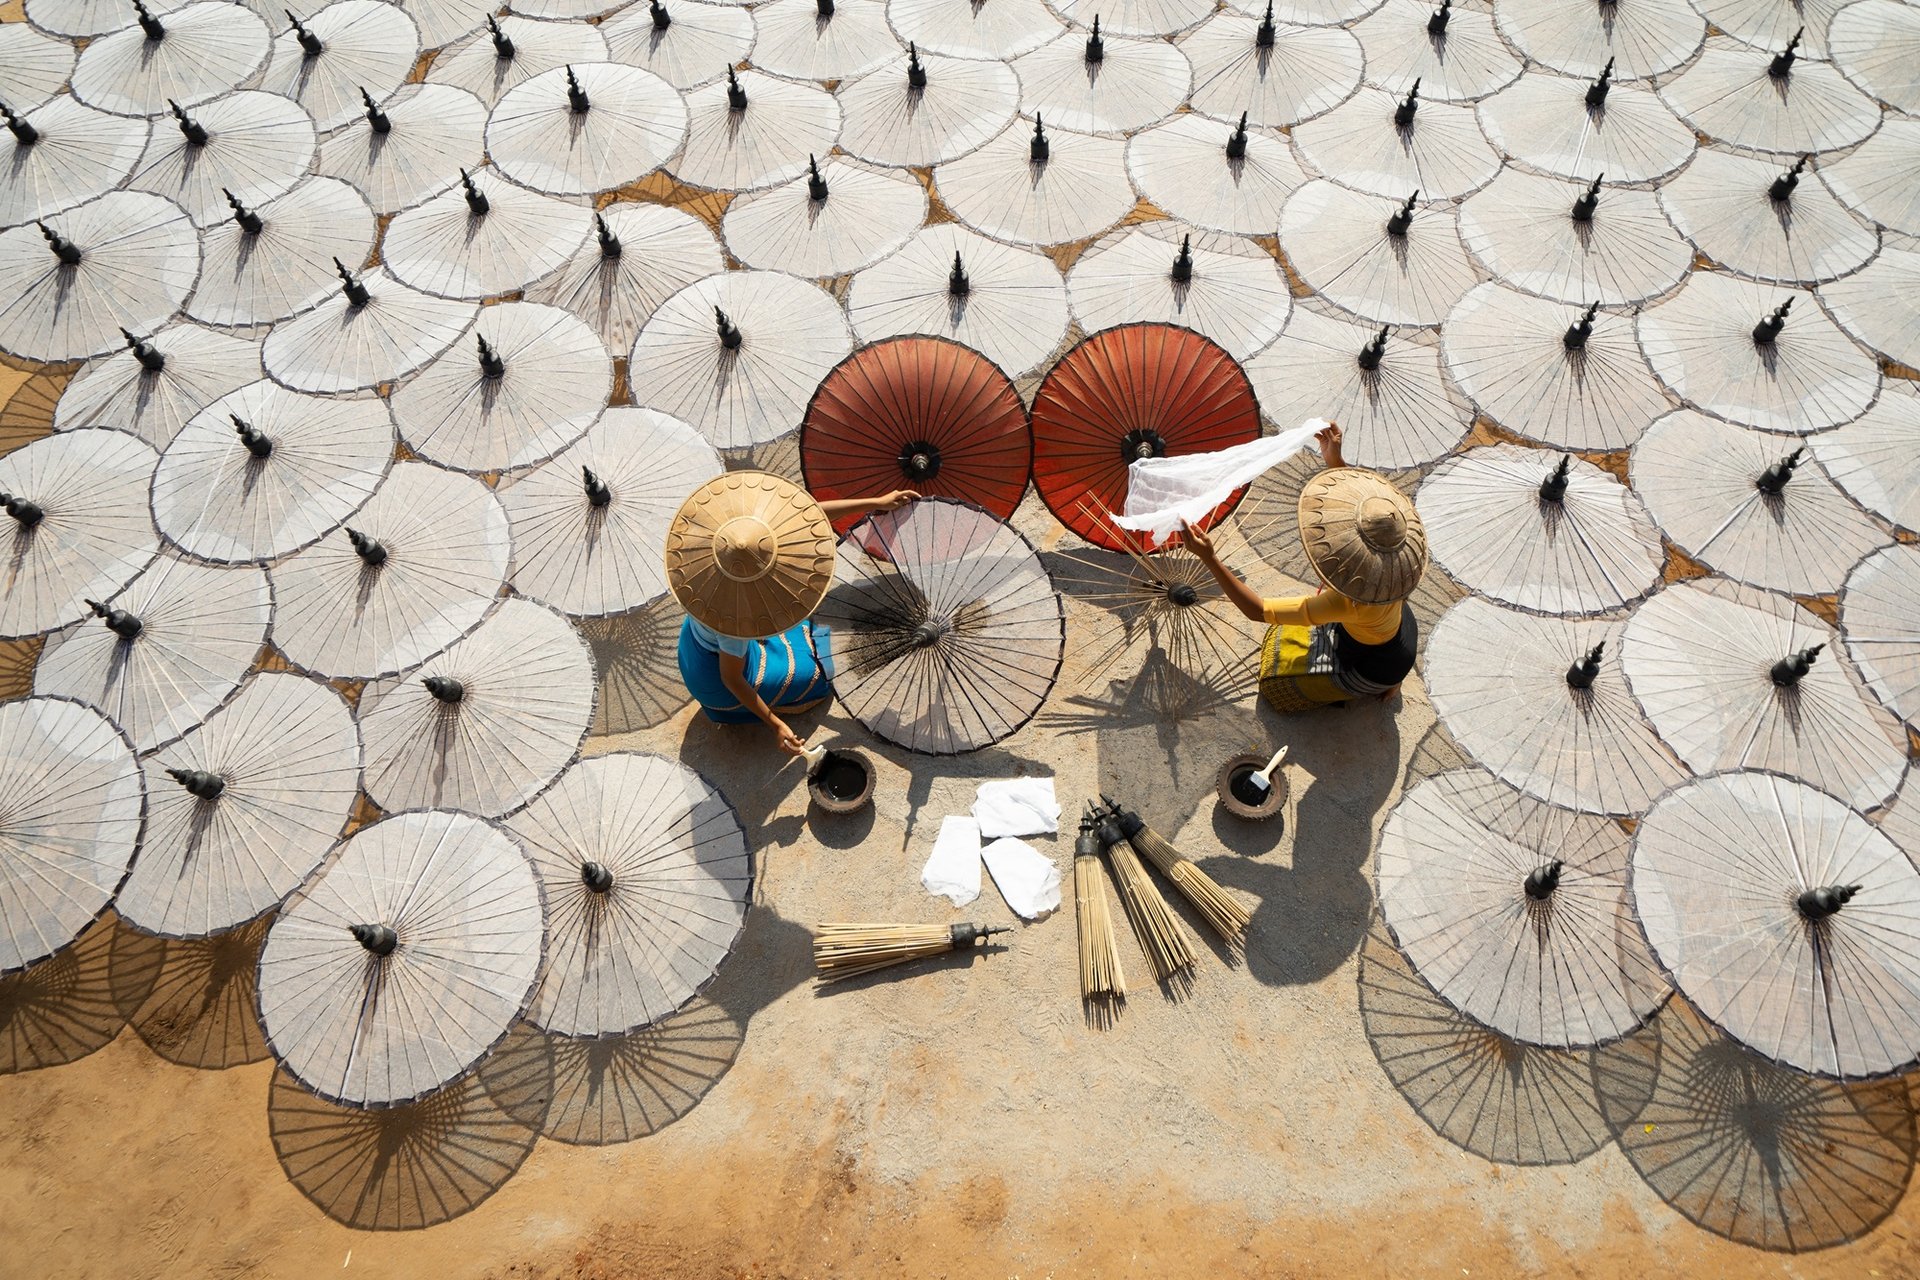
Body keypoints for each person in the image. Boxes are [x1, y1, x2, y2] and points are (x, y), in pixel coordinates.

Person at [664, 471, 916, 755]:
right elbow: (731, 679)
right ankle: (761, 702)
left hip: (696, 641)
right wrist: (775, 724)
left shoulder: (725, 537)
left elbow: (809, 517)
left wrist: (876, 502)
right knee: (819, 676)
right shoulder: (731, 626)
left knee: (797, 620)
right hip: (716, 676)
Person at [1181, 424, 1427, 711]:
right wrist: (1334, 462)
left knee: (1278, 689)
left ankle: (1386, 684)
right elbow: (1358, 507)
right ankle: (1392, 679)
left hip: (1375, 664)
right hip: (1399, 628)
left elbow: (1258, 611)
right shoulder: (1398, 563)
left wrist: (1209, 557)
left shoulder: (1346, 601)